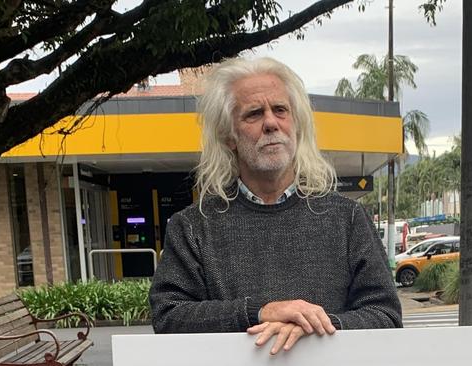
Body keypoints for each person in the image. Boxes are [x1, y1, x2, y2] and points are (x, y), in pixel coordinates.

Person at [149, 57, 402, 355]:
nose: (270, 123)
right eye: (254, 114)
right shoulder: (192, 227)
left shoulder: (347, 218)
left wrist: (315, 326)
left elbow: (386, 315)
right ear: (229, 136)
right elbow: (168, 315)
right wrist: (258, 311)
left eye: (280, 110)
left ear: (295, 124)